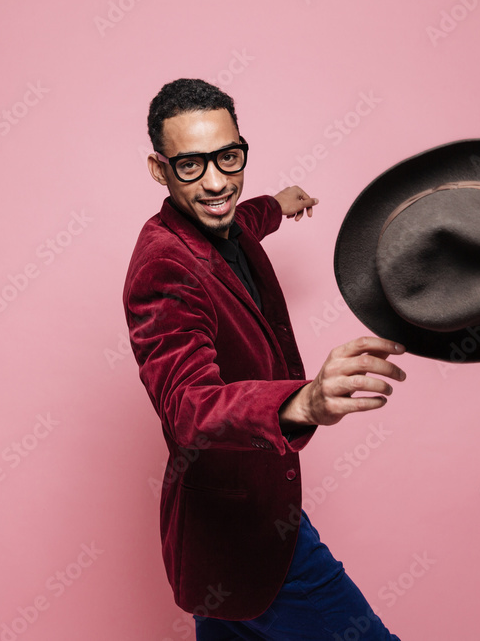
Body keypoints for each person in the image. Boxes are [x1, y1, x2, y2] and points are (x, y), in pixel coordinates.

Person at [123, 78, 406, 640]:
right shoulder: (164, 266)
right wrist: (301, 401)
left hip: (216, 544)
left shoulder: (222, 220)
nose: (216, 181)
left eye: (228, 157)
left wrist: (278, 204)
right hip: (247, 535)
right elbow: (186, 406)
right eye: (190, 165)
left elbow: (242, 219)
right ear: (159, 169)